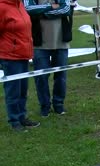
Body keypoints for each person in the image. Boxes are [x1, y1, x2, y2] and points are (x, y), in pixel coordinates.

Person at [24, 0, 73, 117]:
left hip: (60, 42)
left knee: (61, 77)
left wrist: (43, 13)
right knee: (41, 77)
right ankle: (45, 106)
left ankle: (59, 105)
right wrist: (51, 6)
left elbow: (66, 9)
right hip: (39, 44)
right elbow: (28, 9)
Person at [0, 0, 40, 132]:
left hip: (23, 54)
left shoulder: (20, 5)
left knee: (23, 90)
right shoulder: (2, 7)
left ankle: (22, 117)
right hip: (10, 57)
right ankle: (14, 121)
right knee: (13, 91)